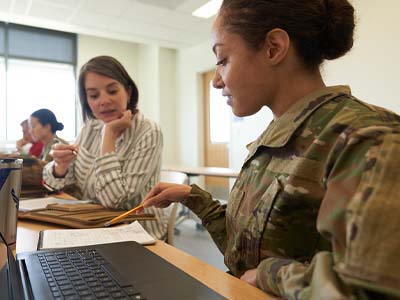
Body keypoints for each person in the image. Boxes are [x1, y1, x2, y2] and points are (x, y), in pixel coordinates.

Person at [142, 0, 400, 299]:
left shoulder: (368, 138)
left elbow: (371, 289)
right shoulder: (275, 141)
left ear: (273, 48)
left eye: (223, 59)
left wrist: (271, 275)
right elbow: (246, 254)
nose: (216, 80)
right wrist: (194, 199)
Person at [42, 56, 166, 239]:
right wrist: (60, 167)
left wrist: (108, 135)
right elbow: (52, 183)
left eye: (112, 91)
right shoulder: (90, 128)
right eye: (93, 95)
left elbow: (113, 200)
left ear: (128, 92)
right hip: (90, 224)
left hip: (135, 232)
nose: (103, 101)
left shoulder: (148, 131)